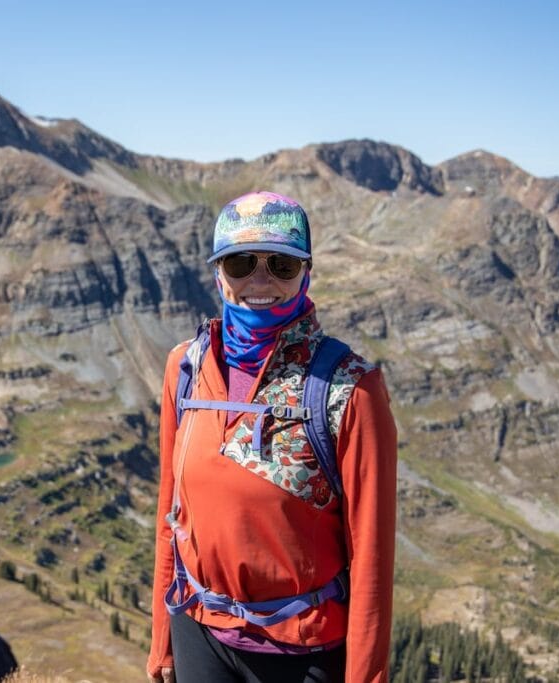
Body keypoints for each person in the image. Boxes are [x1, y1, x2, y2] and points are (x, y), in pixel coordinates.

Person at [147, 191, 397, 683]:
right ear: (218, 272)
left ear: (307, 271)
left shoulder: (350, 387)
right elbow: (171, 514)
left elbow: (372, 553)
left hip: (302, 650)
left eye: (281, 264)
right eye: (241, 262)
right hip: (198, 628)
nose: (260, 281)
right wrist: (163, 640)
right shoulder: (186, 368)